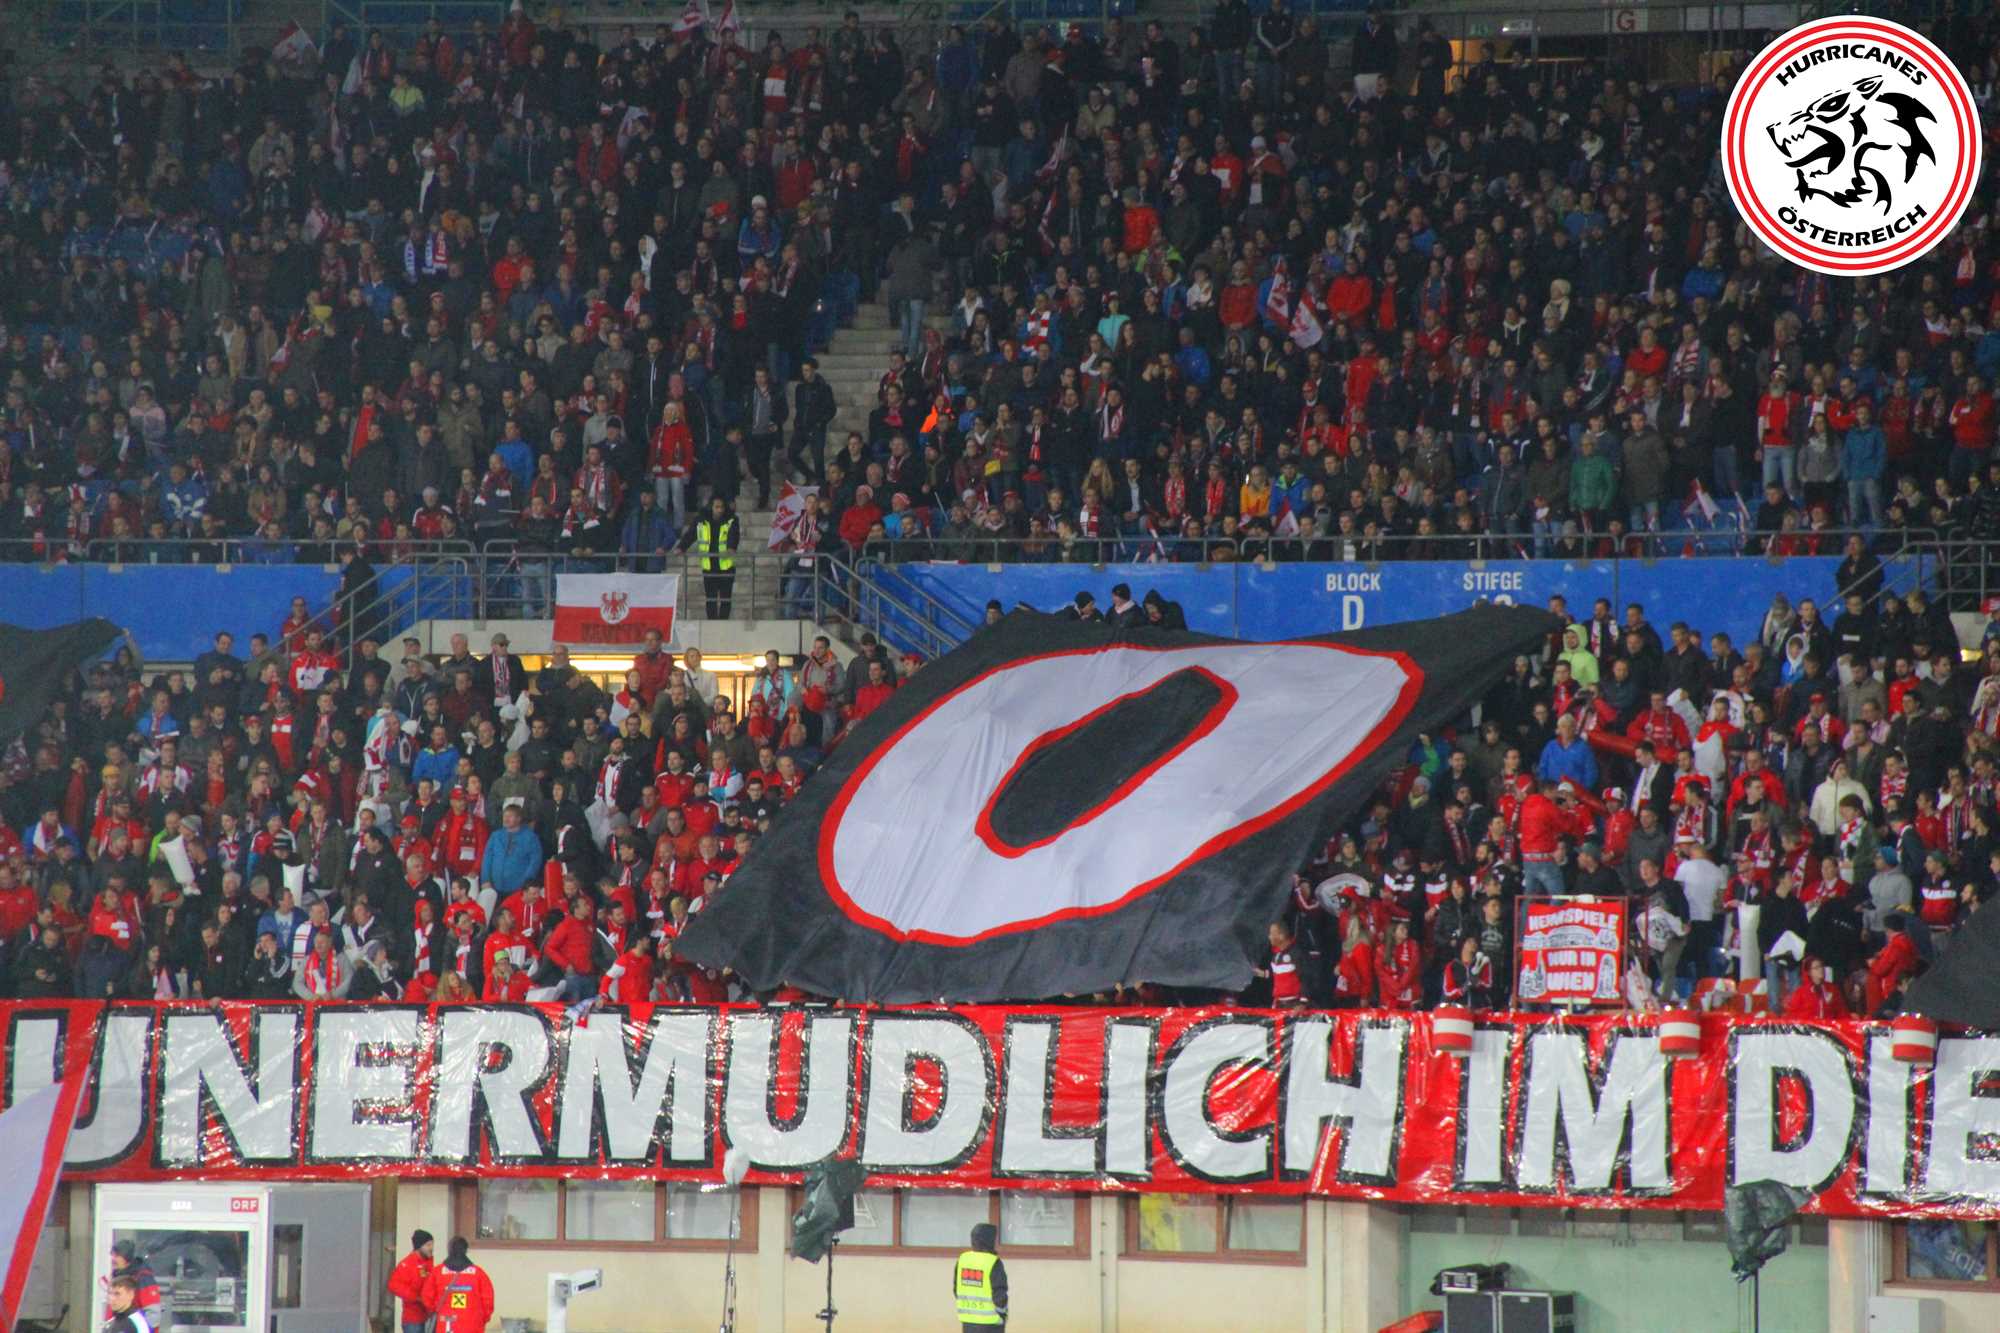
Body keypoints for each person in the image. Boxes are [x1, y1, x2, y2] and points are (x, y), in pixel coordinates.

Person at [680, 495, 741, 618]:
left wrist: (731, 548)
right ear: (710, 507)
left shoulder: (732, 519)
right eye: (717, 507)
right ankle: (712, 622)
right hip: (709, 565)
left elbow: (734, 535)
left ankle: (723, 623)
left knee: (726, 598)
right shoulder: (701, 520)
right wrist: (681, 547)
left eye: (722, 507)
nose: (720, 510)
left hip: (726, 566)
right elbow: (691, 534)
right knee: (710, 598)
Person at [423, 1237, 495, 1333]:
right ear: (466, 1250)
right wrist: (482, 1319)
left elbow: (427, 1298)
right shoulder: (479, 1273)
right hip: (472, 1324)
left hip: (446, 1324)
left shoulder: (437, 1272)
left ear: (449, 1250)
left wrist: (437, 1309)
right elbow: (488, 1301)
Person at [953, 1221, 1008, 1329]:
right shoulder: (992, 1261)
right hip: (991, 1322)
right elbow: (999, 1293)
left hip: (968, 1321)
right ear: (989, 1241)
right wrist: (1002, 1315)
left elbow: (956, 1289)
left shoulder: (963, 1259)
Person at [388, 1230, 436, 1333]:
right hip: (413, 1320)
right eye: (428, 1245)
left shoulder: (428, 1263)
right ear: (419, 1246)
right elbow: (394, 1285)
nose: (431, 1248)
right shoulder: (407, 1264)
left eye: (432, 1245)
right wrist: (416, 1297)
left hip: (428, 1317)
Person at [108, 1240, 163, 1328]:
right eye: (112, 1255)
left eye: (117, 1255)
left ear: (127, 1257)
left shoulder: (143, 1278)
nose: (113, 1259)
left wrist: (133, 1329)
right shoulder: (117, 1276)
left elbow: (153, 1315)